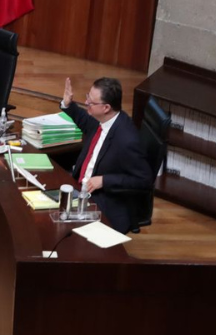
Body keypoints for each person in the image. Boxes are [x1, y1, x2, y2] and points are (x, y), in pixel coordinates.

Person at [60, 76, 154, 234]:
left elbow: (144, 180)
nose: (87, 102)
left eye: (91, 101)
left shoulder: (127, 140)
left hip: (104, 201)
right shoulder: (103, 120)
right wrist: (68, 105)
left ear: (106, 108)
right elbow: (86, 123)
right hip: (81, 189)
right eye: (88, 96)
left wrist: (105, 180)